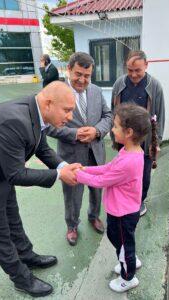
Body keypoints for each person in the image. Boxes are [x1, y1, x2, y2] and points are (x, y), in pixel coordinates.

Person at [0, 81, 81, 298]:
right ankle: (21, 279)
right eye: (67, 110)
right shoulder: (13, 121)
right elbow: (16, 174)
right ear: (48, 103)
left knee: (13, 221)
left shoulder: (35, 111)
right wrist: (59, 175)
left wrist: (63, 166)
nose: (69, 117)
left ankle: (27, 256)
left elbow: (41, 147)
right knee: (0, 236)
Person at [76, 104, 156, 292]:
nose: (112, 129)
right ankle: (130, 259)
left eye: (115, 126)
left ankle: (128, 277)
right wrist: (85, 168)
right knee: (120, 240)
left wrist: (77, 175)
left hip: (123, 214)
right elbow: (107, 169)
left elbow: (103, 180)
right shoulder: (128, 151)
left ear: (128, 132)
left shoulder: (129, 161)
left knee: (121, 243)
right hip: (123, 211)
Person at [47, 52, 112, 246]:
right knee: (72, 193)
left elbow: (108, 116)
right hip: (71, 154)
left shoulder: (96, 91)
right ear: (68, 70)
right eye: (78, 74)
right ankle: (72, 225)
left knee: (96, 189)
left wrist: (97, 131)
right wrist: (74, 134)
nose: (82, 80)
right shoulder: (56, 91)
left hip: (96, 152)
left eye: (87, 75)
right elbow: (49, 125)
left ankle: (94, 216)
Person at [111, 50, 165, 216]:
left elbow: (160, 115)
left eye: (138, 70)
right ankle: (124, 201)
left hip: (145, 141)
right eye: (130, 70)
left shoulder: (155, 86)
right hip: (124, 142)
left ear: (146, 66)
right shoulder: (119, 84)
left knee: (144, 177)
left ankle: (139, 203)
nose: (133, 74)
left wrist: (157, 142)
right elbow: (113, 112)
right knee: (122, 174)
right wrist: (114, 136)